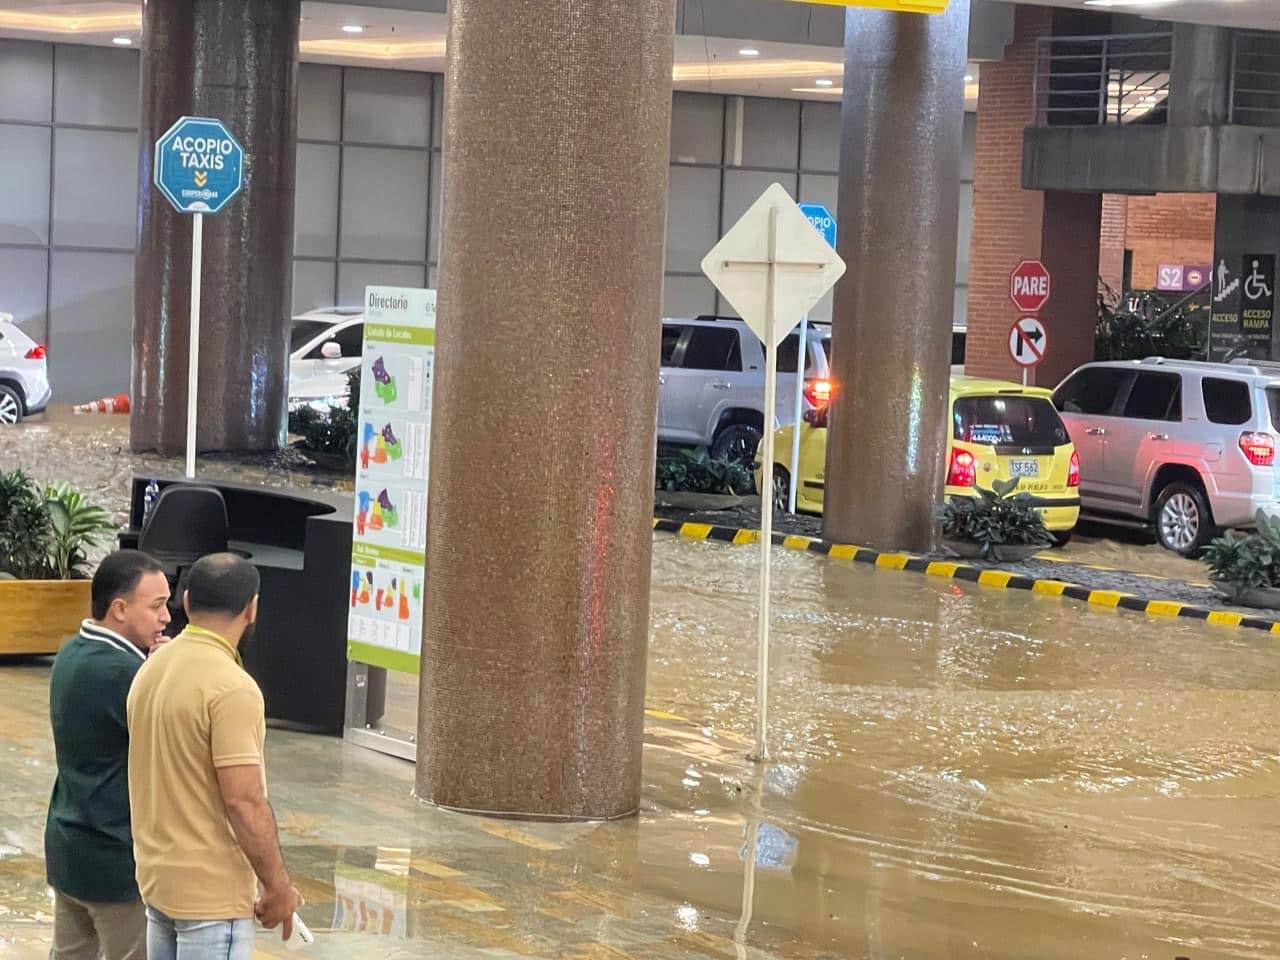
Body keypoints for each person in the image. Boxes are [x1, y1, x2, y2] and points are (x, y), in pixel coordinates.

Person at [127, 553, 302, 959]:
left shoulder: (151, 669)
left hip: (157, 886)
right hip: (211, 900)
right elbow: (244, 801)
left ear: (186, 602)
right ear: (252, 608)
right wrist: (278, 888)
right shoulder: (232, 688)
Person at [45, 549, 171, 960]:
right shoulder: (125, 673)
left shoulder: (71, 653)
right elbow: (172, 751)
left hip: (69, 844)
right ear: (119, 609)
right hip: (116, 858)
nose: (166, 617)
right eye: (156, 606)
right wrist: (164, 675)